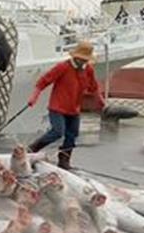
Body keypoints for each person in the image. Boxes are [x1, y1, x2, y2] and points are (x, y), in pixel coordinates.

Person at [27, 40, 103, 169]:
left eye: (85, 60)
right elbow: (43, 81)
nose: (82, 62)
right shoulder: (63, 67)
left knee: (72, 135)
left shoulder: (88, 69)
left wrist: (100, 100)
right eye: (80, 59)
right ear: (75, 56)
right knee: (57, 131)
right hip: (57, 107)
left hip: (74, 109)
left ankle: (64, 160)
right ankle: (32, 149)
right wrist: (34, 96)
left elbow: (93, 87)